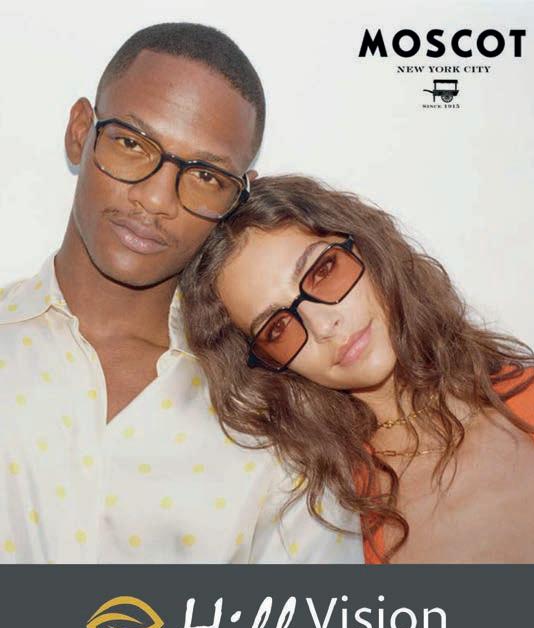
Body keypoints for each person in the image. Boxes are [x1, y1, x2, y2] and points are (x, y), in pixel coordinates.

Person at [0, 26, 363, 564]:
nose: (155, 199)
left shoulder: (279, 427)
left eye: (205, 175)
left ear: (237, 197)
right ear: (80, 132)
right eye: (131, 143)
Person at [180, 174, 534, 563]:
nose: (323, 325)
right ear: (269, 366)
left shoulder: (525, 396)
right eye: (277, 328)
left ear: (367, 246)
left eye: (322, 271)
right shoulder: (325, 518)